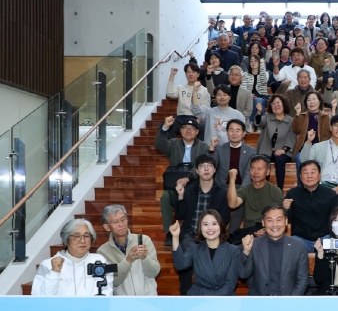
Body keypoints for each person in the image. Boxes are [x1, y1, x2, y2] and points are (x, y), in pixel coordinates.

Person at [155, 116, 211, 246]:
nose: (188, 130)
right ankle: (169, 232)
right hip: (176, 184)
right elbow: (159, 144)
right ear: (180, 131)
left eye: (192, 128)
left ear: (197, 132)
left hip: (195, 184)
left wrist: (188, 177)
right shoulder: (174, 143)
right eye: (185, 128)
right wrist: (165, 128)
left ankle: (195, 231)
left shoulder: (203, 146)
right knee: (165, 196)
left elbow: (202, 166)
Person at [239, 204, 309, 296]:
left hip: (288, 299)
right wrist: (246, 252)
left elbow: (302, 280)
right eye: (269, 220)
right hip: (259, 300)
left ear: (286, 221)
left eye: (279, 220)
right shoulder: (253, 244)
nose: (275, 224)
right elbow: (243, 274)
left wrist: (290, 300)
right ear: (263, 223)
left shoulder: (298, 247)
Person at [32, 219, 113, 296]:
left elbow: (107, 292)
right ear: (66, 239)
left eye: (86, 235)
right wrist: (54, 273)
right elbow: (40, 298)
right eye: (77, 236)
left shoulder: (99, 261)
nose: (82, 240)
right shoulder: (47, 265)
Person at [169, 209, 240, 296]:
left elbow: (230, 284)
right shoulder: (194, 249)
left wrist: (211, 300)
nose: (210, 228)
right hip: (199, 296)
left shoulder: (233, 251)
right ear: (200, 228)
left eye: (214, 223)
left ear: (221, 226)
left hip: (223, 298)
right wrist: (175, 237)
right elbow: (180, 265)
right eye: (205, 224)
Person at [97, 204, 160, 296]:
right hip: (123, 302)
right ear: (107, 227)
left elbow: (154, 272)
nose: (121, 225)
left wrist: (145, 258)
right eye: (115, 222)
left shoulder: (144, 240)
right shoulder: (103, 252)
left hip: (148, 299)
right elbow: (114, 281)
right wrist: (128, 260)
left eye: (123, 220)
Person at [301, 114, 338, 209]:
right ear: (330, 127)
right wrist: (308, 142)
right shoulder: (318, 147)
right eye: (336, 125)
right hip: (321, 185)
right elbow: (304, 162)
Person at [283, 160, 338, 252]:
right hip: (301, 239)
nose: (309, 176)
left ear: (320, 175)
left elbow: (336, 219)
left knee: (337, 244)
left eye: (313, 172)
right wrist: (284, 209)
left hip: (325, 238)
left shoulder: (330, 194)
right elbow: (286, 219)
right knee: (290, 245)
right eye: (305, 173)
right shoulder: (292, 194)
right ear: (300, 176)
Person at [227, 155, 284, 236]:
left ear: (267, 172)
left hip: (269, 232)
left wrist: (266, 230)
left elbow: (279, 216)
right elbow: (232, 204)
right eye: (253, 168)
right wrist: (232, 179)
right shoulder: (245, 190)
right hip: (249, 232)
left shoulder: (275, 191)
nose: (255, 172)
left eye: (259, 169)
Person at [255, 95, 296, 190]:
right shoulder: (267, 116)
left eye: (278, 103)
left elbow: (292, 137)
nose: (276, 105)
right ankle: (262, 189)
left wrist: (283, 150)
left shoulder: (290, 120)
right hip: (266, 149)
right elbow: (260, 123)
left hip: (284, 151)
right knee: (263, 161)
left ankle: (279, 189)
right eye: (273, 103)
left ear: (284, 104)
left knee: (280, 161)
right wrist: (259, 112)